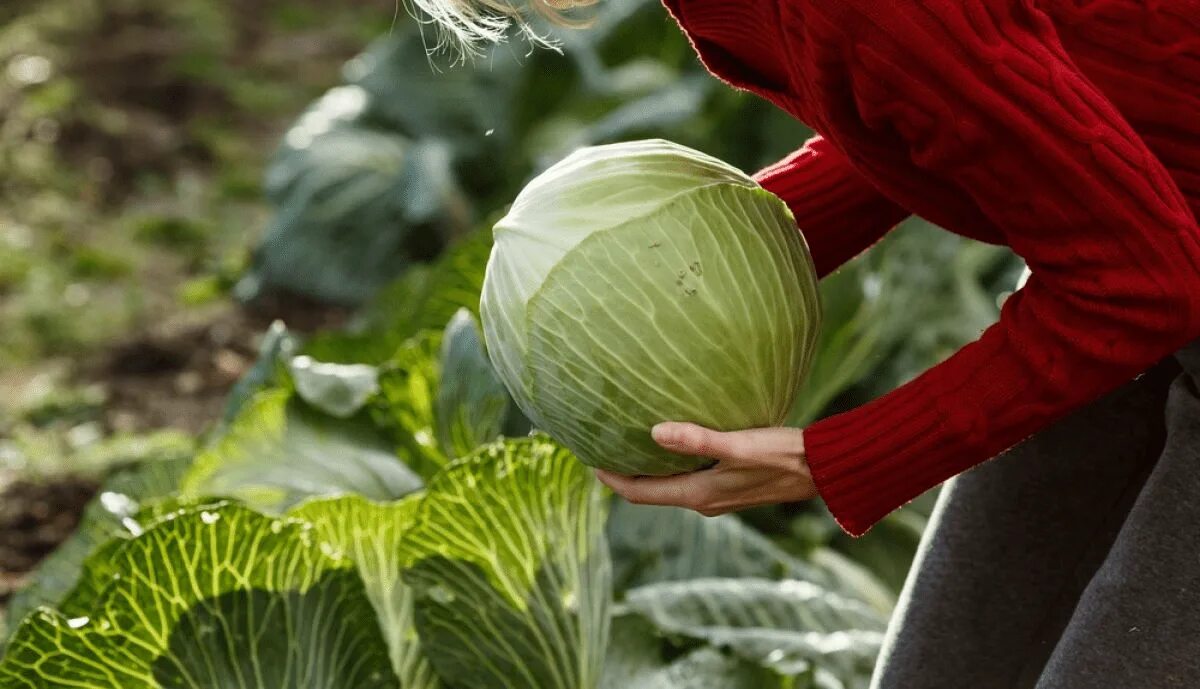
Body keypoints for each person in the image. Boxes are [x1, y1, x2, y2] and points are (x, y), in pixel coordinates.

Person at [419, 0, 1200, 685]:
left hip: (1141, 273)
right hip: (1142, 244)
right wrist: (692, 273)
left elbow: (1145, 280)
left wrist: (829, 459)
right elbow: (947, 100)